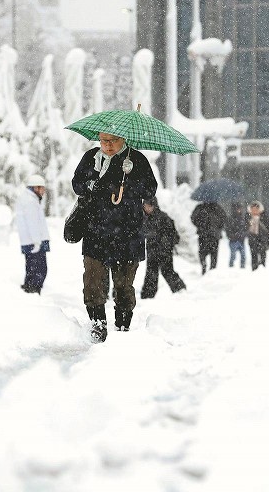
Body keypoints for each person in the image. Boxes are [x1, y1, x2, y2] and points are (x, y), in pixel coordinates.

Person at [72, 132, 158, 343]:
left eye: (113, 141)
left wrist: (129, 182)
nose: (108, 146)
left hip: (128, 235)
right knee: (93, 283)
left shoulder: (135, 159)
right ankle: (98, 326)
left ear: (123, 140)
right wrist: (91, 184)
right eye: (104, 141)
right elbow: (77, 184)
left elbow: (150, 189)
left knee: (124, 286)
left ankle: (122, 328)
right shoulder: (91, 158)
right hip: (96, 233)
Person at [140, 196, 186, 299]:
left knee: (167, 271)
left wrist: (164, 243)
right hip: (152, 251)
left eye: (148, 206)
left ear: (153, 206)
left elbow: (174, 235)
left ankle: (180, 289)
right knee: (151, 273)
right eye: (145, 206)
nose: (146, 208)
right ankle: (147, 296)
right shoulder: (144, 218)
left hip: (164, 251)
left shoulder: (163, 217)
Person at [14, 174, 50, 294]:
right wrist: (37, 242)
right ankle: (33, 291)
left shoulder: (28, 199)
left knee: (31, 269)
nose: (43, 191)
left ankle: (29, 290)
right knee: (39, 270)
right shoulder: (30, 201)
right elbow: (33, 223)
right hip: (35, 242)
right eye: (42, 188)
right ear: (35, 188)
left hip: (31, 241)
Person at [191, 201, 227, 274]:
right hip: (214, 235)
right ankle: (212, 269)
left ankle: (204, 265)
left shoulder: (200, 207)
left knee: (202, 252)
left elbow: (193, 218)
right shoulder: (217, 208)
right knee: (214, 253)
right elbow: (224, 218)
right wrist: (218, 227)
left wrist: (199, 226)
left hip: (203, 234)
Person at [247, 200, 269, 271]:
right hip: (252, 240)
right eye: (253, 209)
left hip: (262, 240)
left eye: (256, 209)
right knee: (253, 256)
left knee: (262, 256)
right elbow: (243, 229)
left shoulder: (265, 218)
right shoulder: (248, 218)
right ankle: (254, 270)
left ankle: (262, 270)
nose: (254, 211)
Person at [225, 201, 249, 268]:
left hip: (241, 240)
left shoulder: (243, 218)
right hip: (233, 241)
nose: (239, 210)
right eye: (238, 208)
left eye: (240, 208)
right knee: (233, 256)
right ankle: (231, 267)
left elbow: (247, 228)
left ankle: (242, 268)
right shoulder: (230, 218)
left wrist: (244, 234)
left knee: (243, 256)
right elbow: (227, 229)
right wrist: (232, 236)